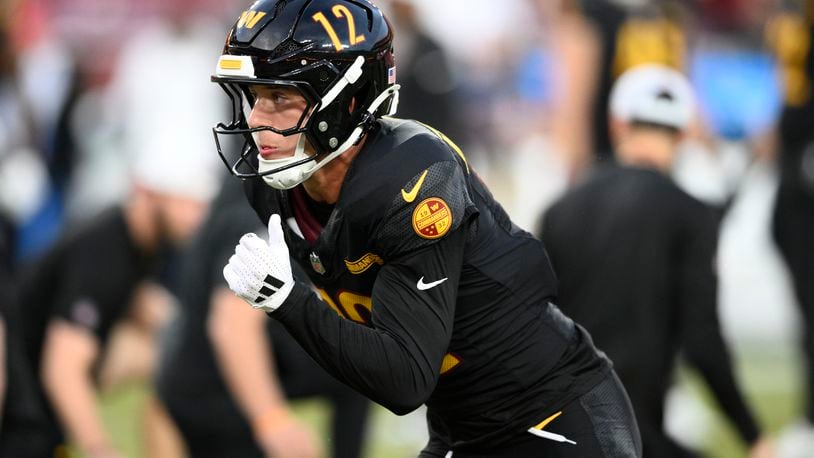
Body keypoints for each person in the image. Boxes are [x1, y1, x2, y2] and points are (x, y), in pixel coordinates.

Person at [212, 0, 641, 456]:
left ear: (346, 99)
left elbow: (405, 381)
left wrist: (287, 301)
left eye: (281, 98)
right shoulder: (274, 186)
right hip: (461, 426)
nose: (257, 119)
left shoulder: (413, 178)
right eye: (254, 96)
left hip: (551, 417)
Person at [538, 64, 776, 458]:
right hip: (631, 436)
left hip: (555, 433)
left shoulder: (560, 210)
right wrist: (755, 437)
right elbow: (703, 343)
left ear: (617, 124)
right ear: (683, 133)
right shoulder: (690, 214)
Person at [14, 141, 218, 458]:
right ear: (152, 194)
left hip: (33, 390)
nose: (199, 216)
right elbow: (62, 369)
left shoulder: (135, 239)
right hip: (21, 410)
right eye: (189, 202)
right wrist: (100, 449)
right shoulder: (104, 252)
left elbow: (145, 305)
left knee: (174, 357)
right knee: (170, 362)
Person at [157, 177, 370, 458]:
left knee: (359, 365)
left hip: (194, 372)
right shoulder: (263, 215)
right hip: (214, 391)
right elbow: (231, 327)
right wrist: (272, 420)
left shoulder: (251, 188)